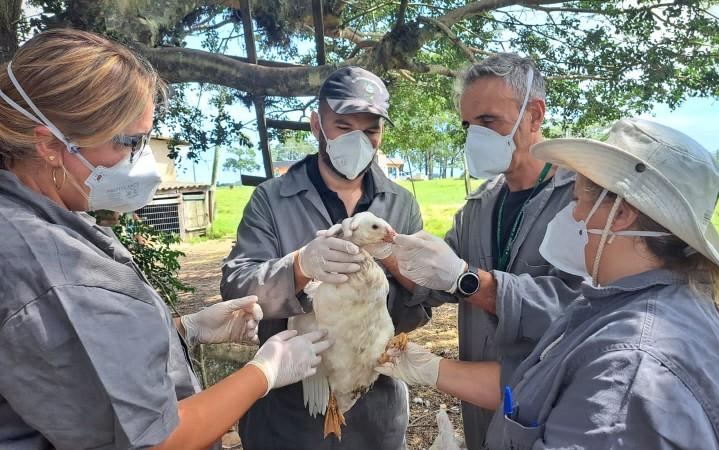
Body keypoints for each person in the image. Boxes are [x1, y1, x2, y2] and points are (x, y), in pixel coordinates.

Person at [0, 29, 330, 450]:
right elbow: (154, 440)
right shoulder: (45, 264)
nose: (143, 162)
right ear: (49, 144)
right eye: (129, 143)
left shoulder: (44, 221)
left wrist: (182, 329)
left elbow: (70, 358)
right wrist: (263, 373)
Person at [379, 119, 719, 449]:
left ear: (620, 214)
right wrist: (430, 368)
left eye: (578, 200)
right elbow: (542, 388)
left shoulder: (628, 374)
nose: (572, 214)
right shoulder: (638, 307)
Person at [220, 67, 429, 449]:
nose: (358, 141)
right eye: (343, 126)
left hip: (374, 412)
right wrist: (299, 267)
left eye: (370, 131)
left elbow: (419, 308)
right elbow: (235, 286)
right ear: (316, 124)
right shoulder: (271, 199)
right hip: (289, 413)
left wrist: (392, 271)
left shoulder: (399, 204)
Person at [389, 54, 583, 449]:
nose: (475, 136)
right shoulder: (479, 207)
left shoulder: (581, 202)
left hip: (554, 412)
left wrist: (470, 281)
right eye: (468, 125)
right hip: (482, 410)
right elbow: (438, 283)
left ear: (534, 115)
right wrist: (386, 252)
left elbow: (584, 312)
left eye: (489, 121)